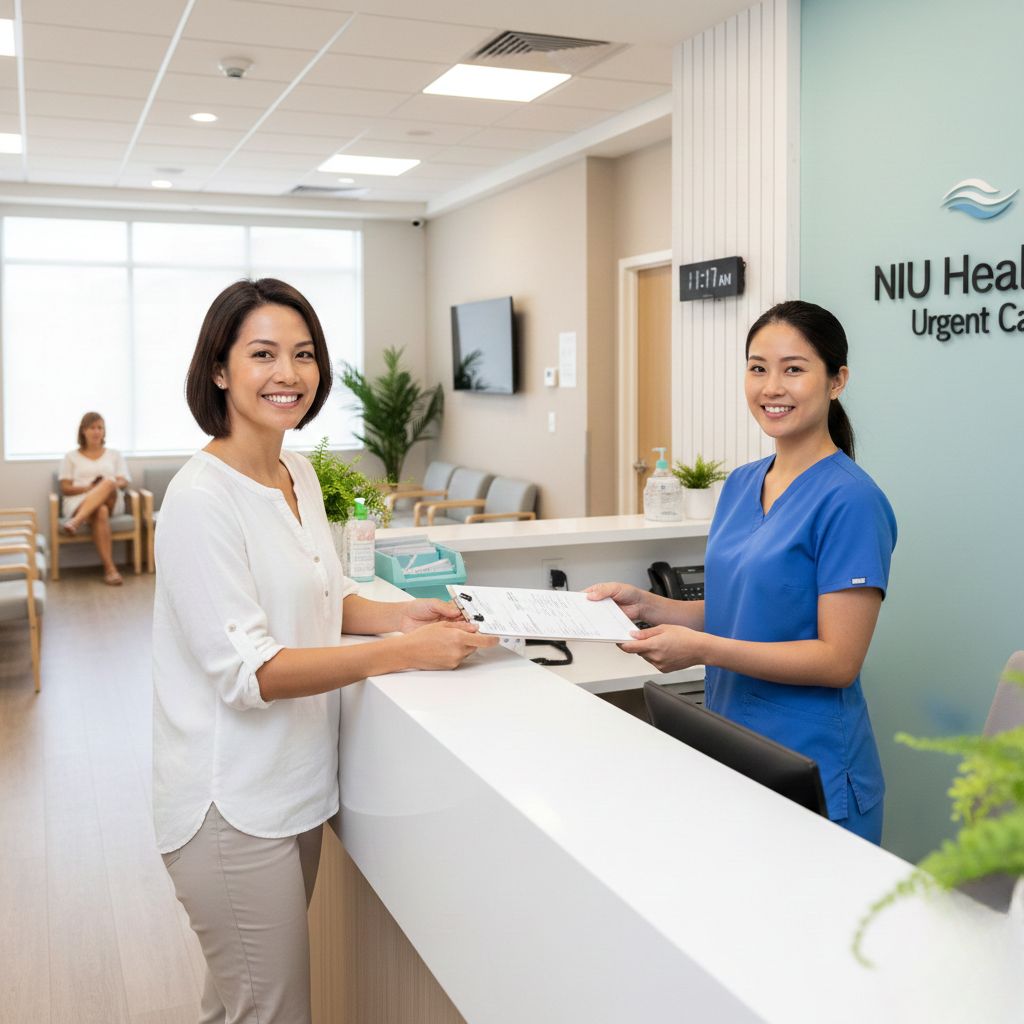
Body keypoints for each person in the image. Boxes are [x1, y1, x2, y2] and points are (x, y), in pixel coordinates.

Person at [152, 278, 497, 1024]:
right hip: (231, 804)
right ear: (219, 369)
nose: (290, 374)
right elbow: (255, 672)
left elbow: (327, 592)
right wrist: (404, 655)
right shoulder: (200, 499)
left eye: (303, 354)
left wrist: (406, 617)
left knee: (236, 1005)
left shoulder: (295, 472)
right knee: (269, 1012)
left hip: (291, 790)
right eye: (264, 354)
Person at [589, 300, 896, 844]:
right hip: (733, 744)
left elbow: (838, 660)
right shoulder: (740, 484)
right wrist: (651, 607)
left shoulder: (850, 501)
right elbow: (749, 608)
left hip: (812, 765)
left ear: (836, 381)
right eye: (758, 368)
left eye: (793, 369)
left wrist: (700, 649)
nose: (771, 387)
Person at [58, 411, 131, 585]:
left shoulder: (114, 454)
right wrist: (90, 488)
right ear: (83, 430)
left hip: (111, 498)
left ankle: (76, 522)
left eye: (100, 427)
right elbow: (65, 488)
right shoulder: (71, 457)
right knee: (101, 511)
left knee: (107, 482)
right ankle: (110, 570)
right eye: (92, 427)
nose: (97, 431)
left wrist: (107, 485)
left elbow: (123, 480)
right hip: (78, 500)